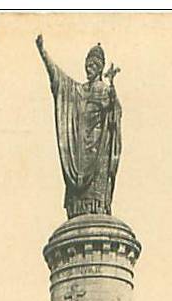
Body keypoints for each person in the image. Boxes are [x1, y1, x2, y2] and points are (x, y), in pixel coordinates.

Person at [35, 34, 122, 219]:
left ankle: (98, 206)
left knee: (97, 187)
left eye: (92, 66)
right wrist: (44, 54)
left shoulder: (105, 91)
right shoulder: (78, 91)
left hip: (99, 151)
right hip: (80, 150)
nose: (88, 69)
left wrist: (113, 89)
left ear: (99, 68)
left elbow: (115, 115)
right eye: (87, 65)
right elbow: (60, 80)